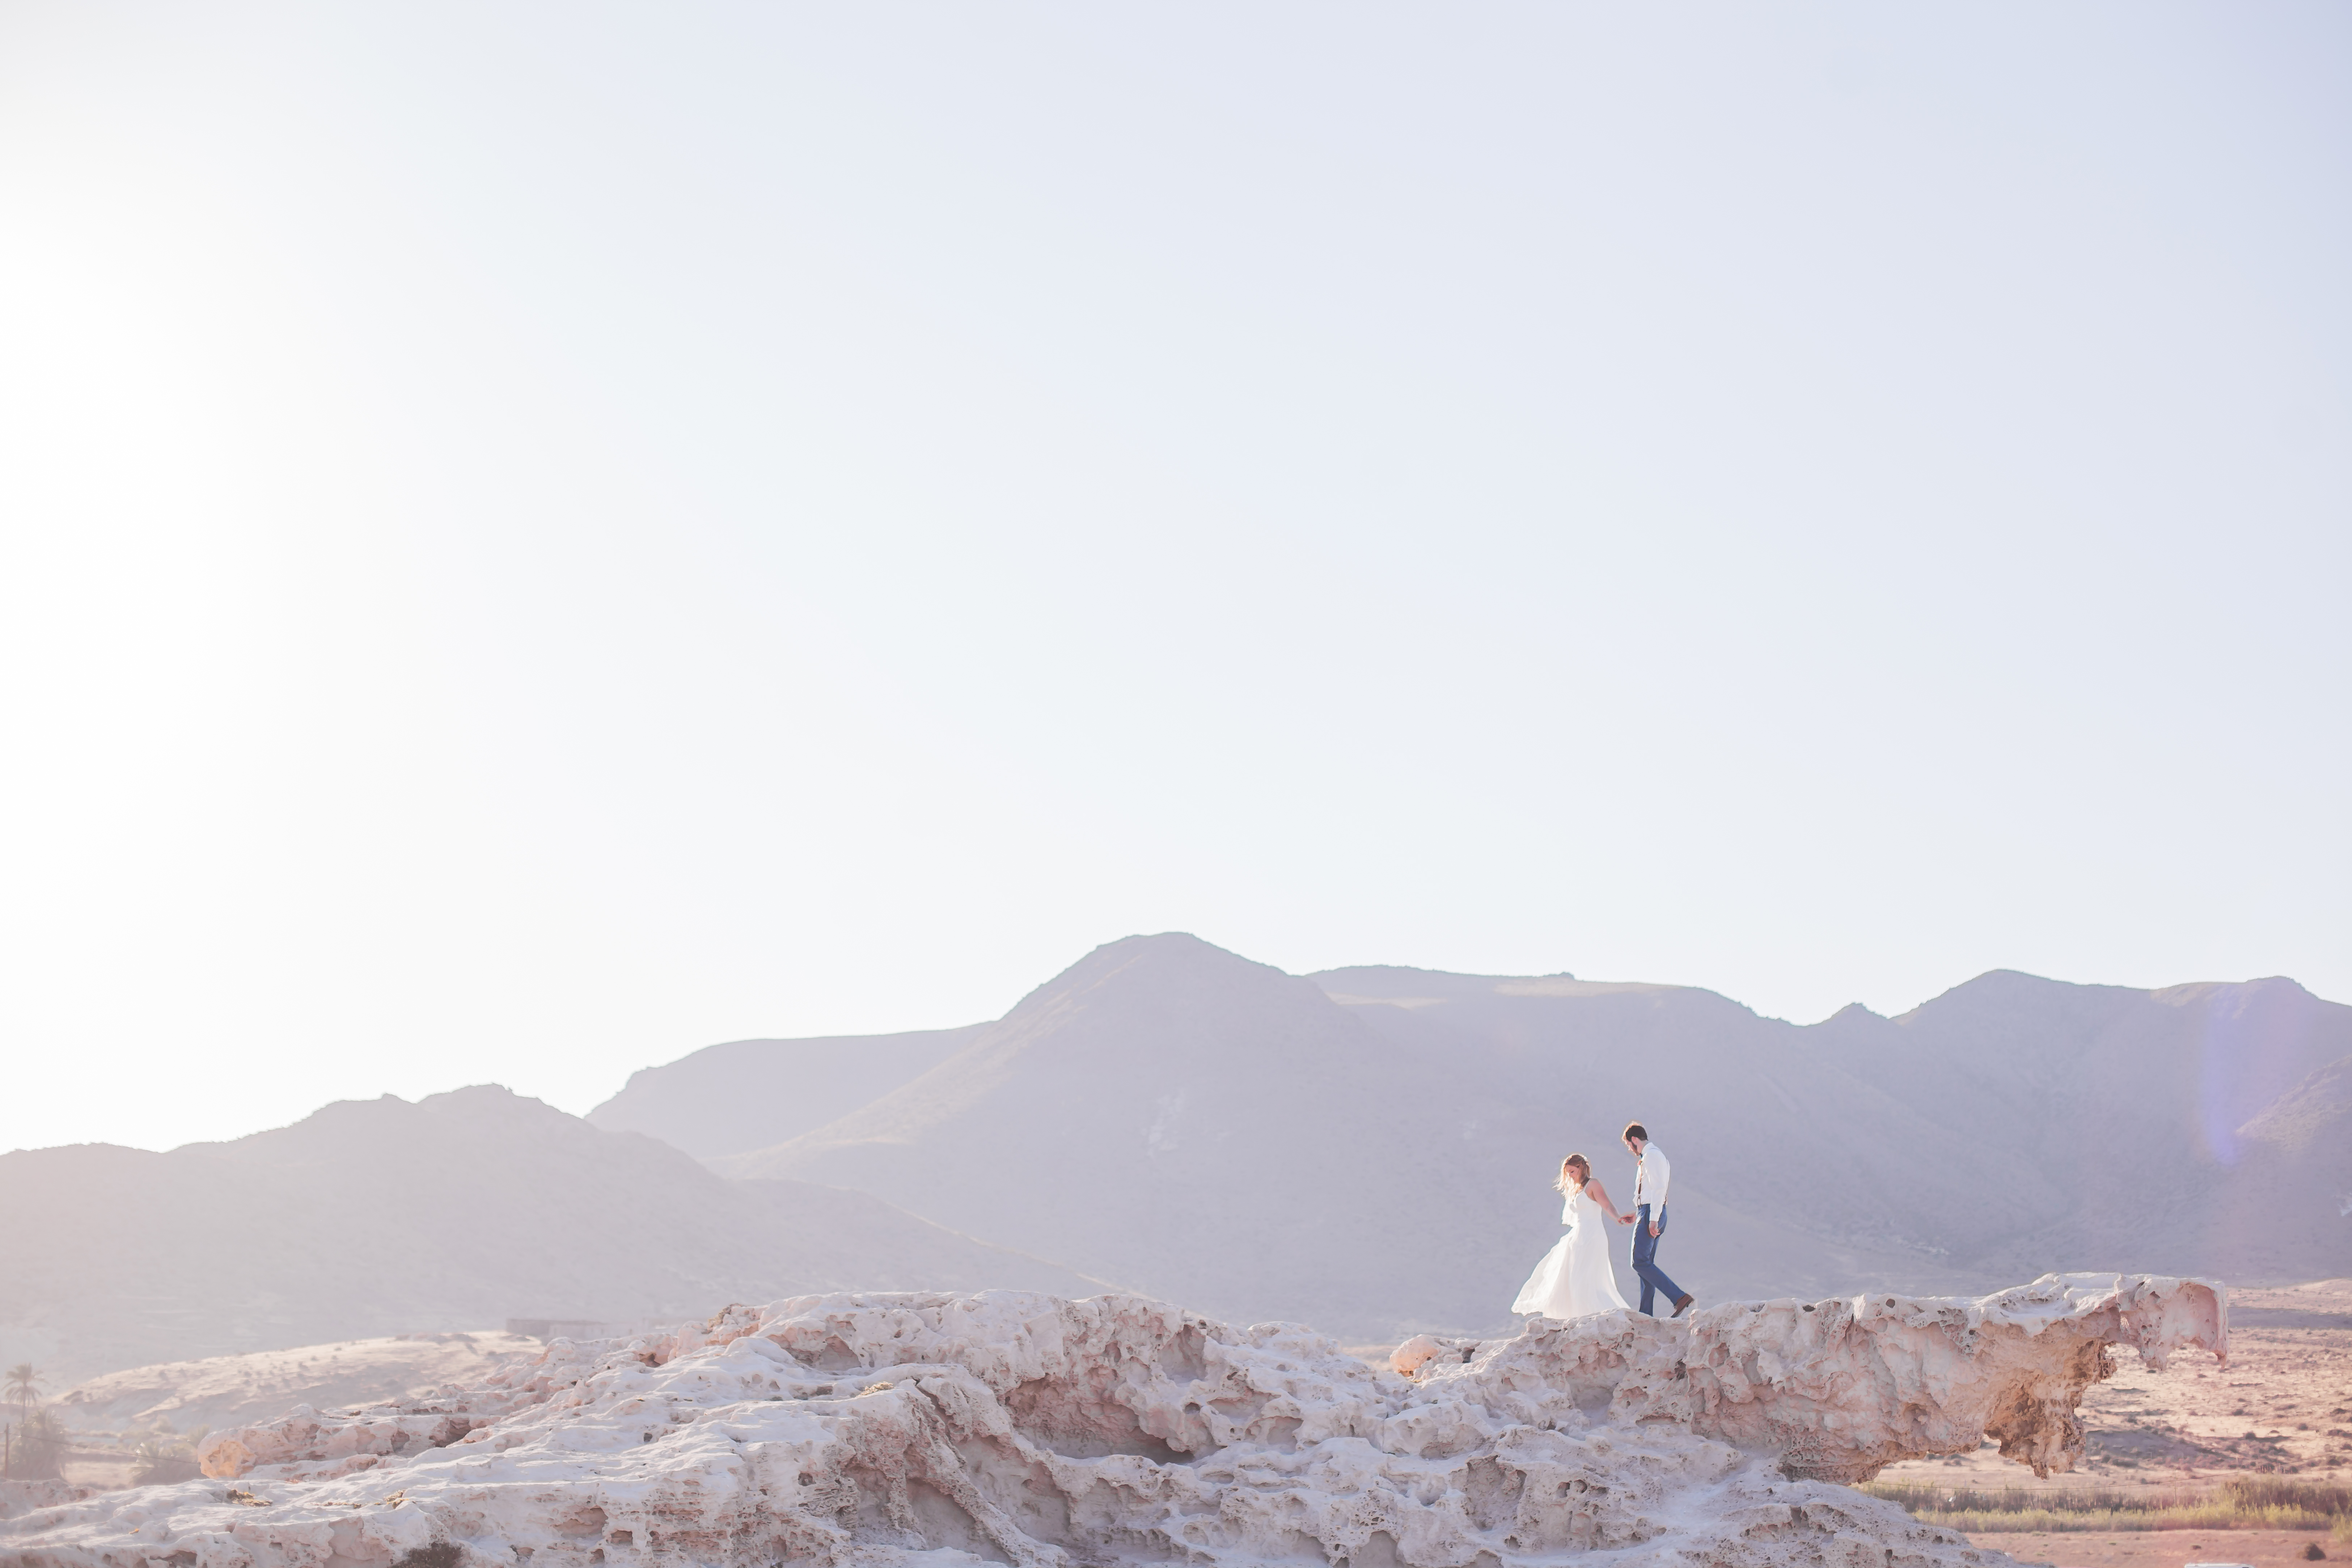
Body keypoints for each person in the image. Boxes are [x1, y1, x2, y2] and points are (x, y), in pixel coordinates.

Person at [1510, 1154, 1632, 1320]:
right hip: (1577, 1237)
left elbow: (1606, 1204)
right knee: (1572, 1277)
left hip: (1593, 1235)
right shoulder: (1577, 1189)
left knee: (1588, 1277)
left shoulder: (1593, 1184)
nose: (1570, 1176)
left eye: (1572, 1171)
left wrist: (1617, 1217)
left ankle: (1599, 1317)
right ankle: (1576, 1318)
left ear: (1581, 1168)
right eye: (1568, 1173)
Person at [1620, 1122, 1695, 1318]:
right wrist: (1637, 1213)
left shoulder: (1652, 1156)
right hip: (1651, 1211)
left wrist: (1651, 1219)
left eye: (1629, 1145)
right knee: (1646, 1264)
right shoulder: (1653, 1156)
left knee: (1639, 1263)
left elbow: (1659, 1188)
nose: (1630, 1149)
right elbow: (1651, 1191)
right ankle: (1646, 1314)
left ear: (1634, 1140)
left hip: (1653, 1212)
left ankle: (1679, 1297)